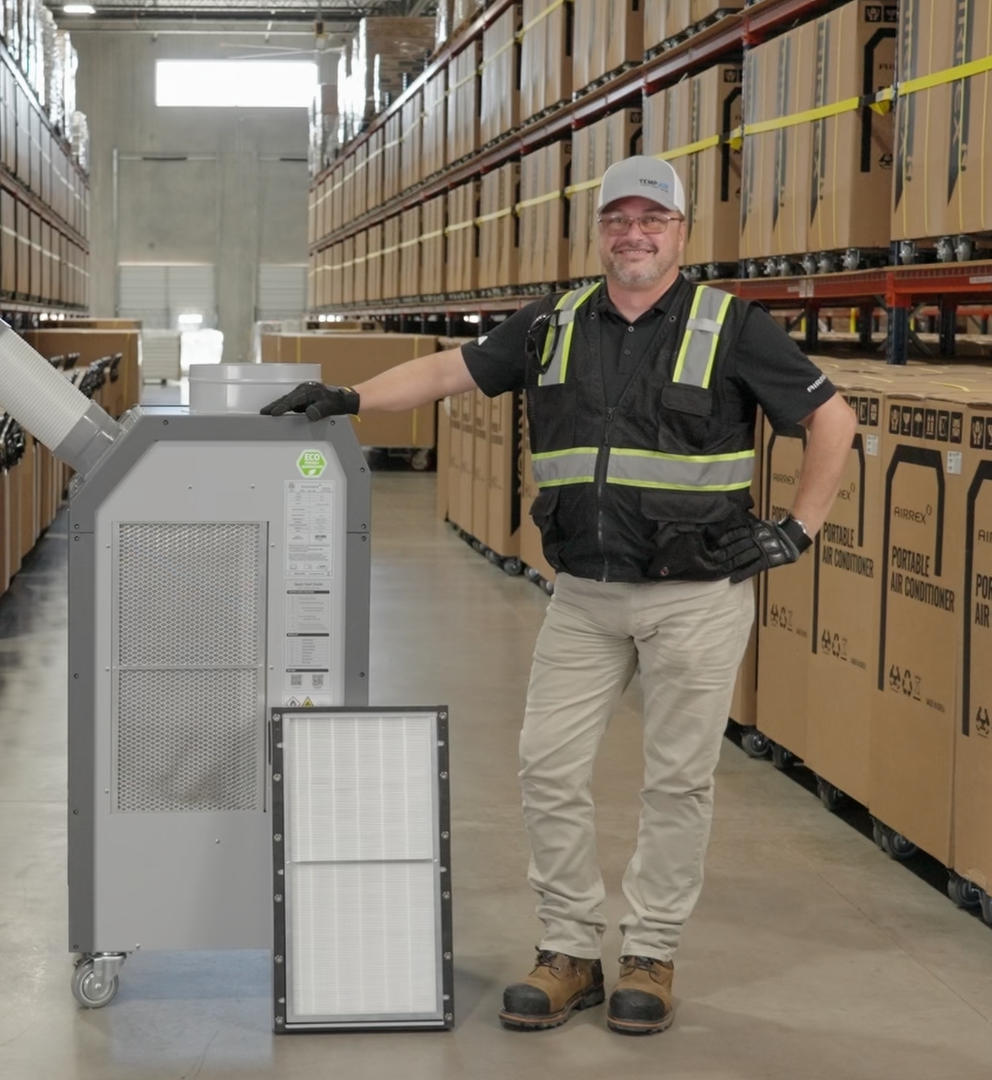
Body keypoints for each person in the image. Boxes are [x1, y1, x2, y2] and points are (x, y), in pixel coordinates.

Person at [262, 156, 857, 1035]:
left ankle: (650, 955)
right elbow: (446, 373)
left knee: (678, 782)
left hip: (696, 597)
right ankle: (570, 949)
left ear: (681, 233)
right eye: (618, 217)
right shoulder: (555, 321)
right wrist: (350, 397)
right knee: (547, 766)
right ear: (601, 233)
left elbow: (833, 419)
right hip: (583, 592)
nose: (634, 233)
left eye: (651, 218)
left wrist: (797, 530)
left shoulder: (732, 326)